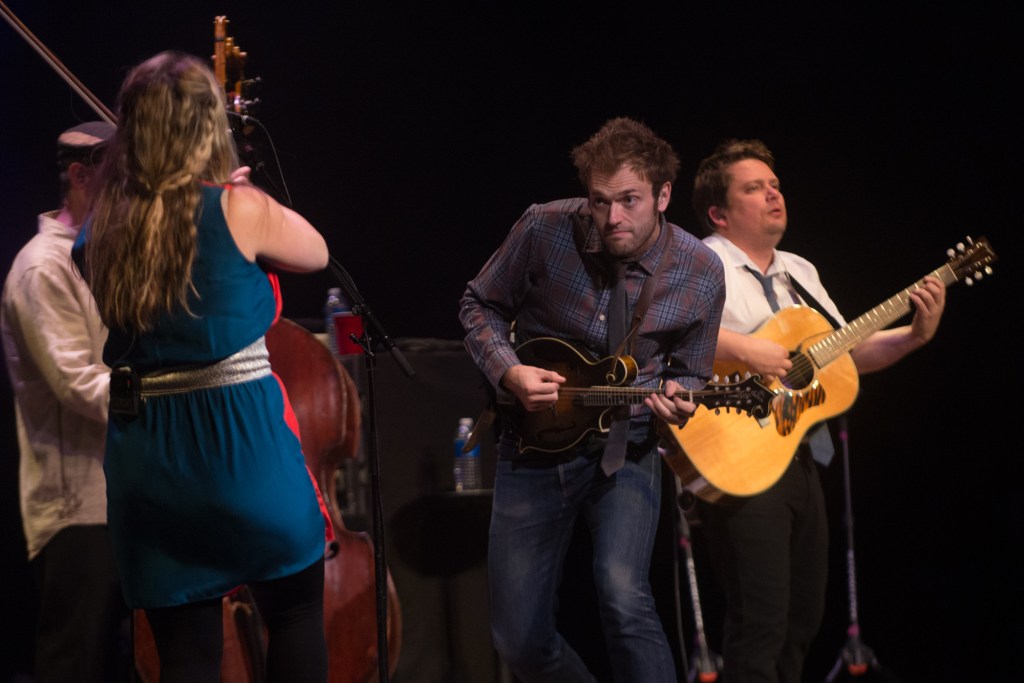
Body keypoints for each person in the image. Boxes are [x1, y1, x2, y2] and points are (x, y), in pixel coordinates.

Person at [71, 51, 331, 682]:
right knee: (294, 615)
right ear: (206, 126)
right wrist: (239, 193)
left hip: (151, 462)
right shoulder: (240, 208)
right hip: (240, 449)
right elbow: (316, 252)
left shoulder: (96, 229)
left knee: (185, 656)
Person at [459, 116, 726, 682]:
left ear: (663, 195)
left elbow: (694, 372)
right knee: (518, 638)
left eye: (629, 200)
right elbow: (478, 304)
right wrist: (509, 373)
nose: (613, 218)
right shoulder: (544, 227)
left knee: (625, 598)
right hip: (532, 446)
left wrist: (685, 398)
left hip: (625, 449)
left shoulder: (700, 271)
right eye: (600, 202)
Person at [690, 138, 946, 683]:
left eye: (775, 185)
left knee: (802, 622)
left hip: (803, 454)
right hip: (741, 457)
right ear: (719, 212)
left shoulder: (799, 271)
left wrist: (913, 337)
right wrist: (747, 349)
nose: (772, 195)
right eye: (754, 189)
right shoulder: (700, 262)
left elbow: (840, 357)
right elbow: (670, 342)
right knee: (759, 625)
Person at [1, 121, 130, 683]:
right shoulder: (42, 266)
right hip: (77, 504)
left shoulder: (111, 252)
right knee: (73, 662)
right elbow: (78, 381)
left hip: (123, 494)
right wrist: (164, 397)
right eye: (119, 175)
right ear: (80, 176)